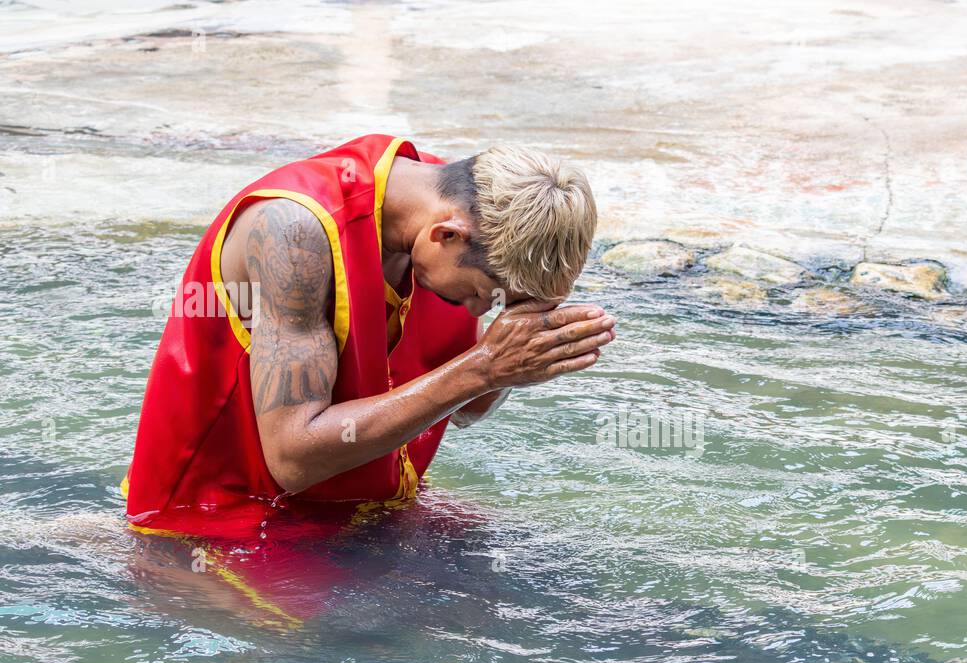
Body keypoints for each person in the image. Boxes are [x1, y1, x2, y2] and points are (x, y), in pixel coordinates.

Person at [122, 134, 613, 537]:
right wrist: (485, 367)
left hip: (369, 508)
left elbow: (467, 408)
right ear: (446, 235)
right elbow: (293, 457)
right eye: (485, 294)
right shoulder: (293, 234)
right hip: (224, 520)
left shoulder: (453, 202)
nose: (481, 311)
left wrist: (522, 356)